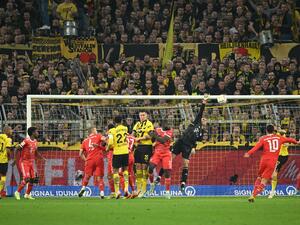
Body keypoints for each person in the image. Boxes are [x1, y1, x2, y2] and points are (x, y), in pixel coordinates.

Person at [158, 95, 208, 191]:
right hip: (180, 141)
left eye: (205, 119)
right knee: (169, 159)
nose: (203, 120)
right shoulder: (196, 122)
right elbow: (200, 112)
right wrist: (204, 103)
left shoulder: (202, 133)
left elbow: (195, 141)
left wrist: (194, 147)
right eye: (203, 118)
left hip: (188, 146)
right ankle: (159, 176)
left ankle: (183, 183)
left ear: (207, 122)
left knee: (186, 164)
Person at [244, 124, 299, 202]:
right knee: (264, 180)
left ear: (266, 130)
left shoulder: (263, 138)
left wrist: (249, 153)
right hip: (272, 161)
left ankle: (253, 193)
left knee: (259, 177)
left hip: (264, 160)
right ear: (273, 131)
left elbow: (256, 147)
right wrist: (296, 142)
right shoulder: (279, 137)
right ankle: (254, 195)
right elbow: (290, 140)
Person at [14, 127, 45, 200]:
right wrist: (15, 160)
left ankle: (27, 194)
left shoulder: (35, 141)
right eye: (37, 132)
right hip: (24, 162)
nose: (38, 133)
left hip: (31, 162)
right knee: (27, 178)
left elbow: (36, 152)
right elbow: (17, 149)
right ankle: (17, 192)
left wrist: (42, 158)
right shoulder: (26, 140)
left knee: (33, 179)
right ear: (33, 133)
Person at [78, 127, 106, 198]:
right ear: (93, 131)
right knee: (100, 177)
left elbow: (80, 153)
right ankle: (102, 192)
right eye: (96, 130)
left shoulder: (85, 141)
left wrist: (86, 160)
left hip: (89, 159)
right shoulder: (98, 135)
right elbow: (104, 139)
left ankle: (83, 188)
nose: (97, 131)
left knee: (87, 176)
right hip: (98, 158)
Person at [148, 120, 173, 199]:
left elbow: (163, 140)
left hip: (166, 153)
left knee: (167, 172)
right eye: (167, 123)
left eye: (169, 123)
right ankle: (152, 185)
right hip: (157, 152)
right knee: (150, 168)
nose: (169, 125)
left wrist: (155, 135)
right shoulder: (157, 130)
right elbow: (150, 134)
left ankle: (167, 192)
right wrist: (152, 135)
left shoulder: (170, 131)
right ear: (163, 125)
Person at [107, 116, 130, 199]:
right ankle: (126, 188)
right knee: (125, 170)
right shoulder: (125, 128)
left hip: (117, 153)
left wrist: (107, 148)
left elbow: (110, 143)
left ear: (114, 122)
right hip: (125, 152)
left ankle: (117, 191)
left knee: (115, 172)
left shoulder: (112, 130)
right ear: (122, 120)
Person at [132, 111, 154, 197]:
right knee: (137, 166)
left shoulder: (149, 124)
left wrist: (139, 138)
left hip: (146, 147)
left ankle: (144, 189)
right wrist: (131, 138)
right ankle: (138, 189)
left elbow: (150, 135)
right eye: (140, 115)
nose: (142, 116)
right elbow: (132, 134)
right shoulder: (137, 124)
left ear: (147, 115)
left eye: (143, 115)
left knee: (144, 167)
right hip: (138, 147)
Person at [268, 129, 289, 198]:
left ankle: (272, 191)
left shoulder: (281, 135)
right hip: (276, 156)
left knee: (274, 173)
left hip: (282, 156)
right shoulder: (272, 137)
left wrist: (282, 142)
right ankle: (273, 190)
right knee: (273, 174)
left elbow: (287, 144)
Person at [0, 126, 13, 199]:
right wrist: (10, 158)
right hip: (3, 160)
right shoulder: (8, 139)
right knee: (3, 177)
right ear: (7, 130)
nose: (12, 131)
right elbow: (8, 150)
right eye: (11, 130)